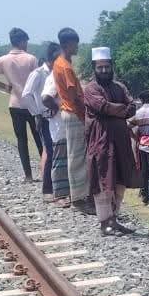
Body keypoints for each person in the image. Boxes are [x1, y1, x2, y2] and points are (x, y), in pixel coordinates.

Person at [82, 47, 139, 235]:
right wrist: (120, 109)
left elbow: (132, 108)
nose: (104, 71)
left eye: (107, 67)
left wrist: (118, 109)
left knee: (120, 180)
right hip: (101, 141)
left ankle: (114, 219)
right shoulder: (90, 88)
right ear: (94, 68)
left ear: (111, 66)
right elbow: (102, 106)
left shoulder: (119, 87)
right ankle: (104, 222)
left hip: (121, 140)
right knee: (103, 180)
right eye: (100, 68)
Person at [0, 28, 41, 181]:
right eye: (26, 41)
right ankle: (45, 172)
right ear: (23, 41)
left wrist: (4, 87)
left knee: (21, 141)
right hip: (32, 105)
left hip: (15, 104)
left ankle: (28, 176)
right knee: (39, 138)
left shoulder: (3, 60)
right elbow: (38, 82)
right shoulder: (31, 59)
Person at [52, 28, 92, 214]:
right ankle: (78, 198)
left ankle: (79, 195)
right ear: (68, 44)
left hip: (68, 112)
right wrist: (85, 115)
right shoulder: (65, 67)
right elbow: (74, 96)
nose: (78, 46)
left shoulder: (59, 63)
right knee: (77, 157)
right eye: (76, 43)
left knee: (75, 156)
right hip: (73, 112)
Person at [21, 42, 60, 201]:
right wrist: (37, 113)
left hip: (57, 117)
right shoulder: (38, 73)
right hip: (44, 117)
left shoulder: (57, 73)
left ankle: (60, 188)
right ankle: (47, 190)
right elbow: (26, 94)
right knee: (50, 152)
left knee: (59, 151)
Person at [40, 63, 69, 205]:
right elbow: (46, 98)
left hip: (68, 126)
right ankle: (59, 195)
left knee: (68, 161)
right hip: (59, 126)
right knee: (59, 161)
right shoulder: (55, 76)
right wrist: (59, 107)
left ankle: (68, 194)